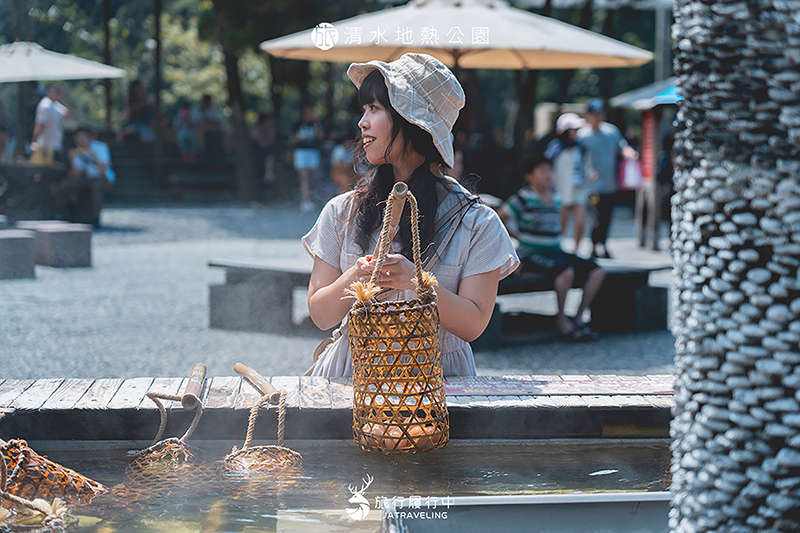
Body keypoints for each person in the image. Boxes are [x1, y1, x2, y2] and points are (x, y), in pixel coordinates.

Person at [302, 53, 518, 377]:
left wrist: (419, 283)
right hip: (350, 376)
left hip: (440, 383)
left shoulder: (478, 223)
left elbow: (474, 324)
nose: (363, 122)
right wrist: (356, 277)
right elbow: (321, 314)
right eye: (364, 110)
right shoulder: (342, 211)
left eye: (375, 109)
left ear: (411, 119)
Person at [498, 154, 605, 342]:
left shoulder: (556, 197)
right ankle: (562, 320)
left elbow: (561, 221)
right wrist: (515, 237)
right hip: (531, 253)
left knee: (597, 270)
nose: (548, 175)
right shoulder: (523, 198)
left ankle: (578, 318)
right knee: (565, 271)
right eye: (542, 171)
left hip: (556, 251)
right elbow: (499, 219)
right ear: (529, 176)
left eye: (550, 170)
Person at [578, 99, 638, 259]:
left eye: (600, 114)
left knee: (606, 217)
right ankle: (593, 245)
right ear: (588, 115)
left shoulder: (611, 132)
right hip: (591, 186)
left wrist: (628, 153)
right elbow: (578, 159)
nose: (598, 117)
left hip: (610, 184)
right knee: (595, 218)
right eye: (595, 114)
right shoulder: (582, 136)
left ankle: (603, 245)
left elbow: (622, 147)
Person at [545, 113, 589, 255]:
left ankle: (576, 250)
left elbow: (586, 165)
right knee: (561, 223)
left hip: (578, 189)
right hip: (561, 190)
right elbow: (548, 167)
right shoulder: (555, 147)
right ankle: (558, 247)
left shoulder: (580, 147)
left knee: (580, 221)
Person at [58, 127, 116, 226]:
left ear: (89, 138)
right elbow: (76, 174)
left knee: (96, 187)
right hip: (86, 178)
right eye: (77, 138)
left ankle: (95, 218)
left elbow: (103, 171)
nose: (80, 140)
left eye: (82, 137)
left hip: (103, 178)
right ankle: (61, 214)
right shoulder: (77, 151)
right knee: (65, 185)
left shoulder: (100, 147)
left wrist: (93, 157)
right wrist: (72, 158)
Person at [291, 105, 323, 212]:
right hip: (301, 152)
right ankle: (305, 201)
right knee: (304, 177)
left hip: (313, 152)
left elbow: (321, 137)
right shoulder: (298, 124)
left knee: (314, 177)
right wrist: (299, 137)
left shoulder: (316, 124)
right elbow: (292, 139)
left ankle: (315, 199)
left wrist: (318, 124)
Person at [32, 85, 71, 164]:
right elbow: (40, 124)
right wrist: (34, 141)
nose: (57, 93)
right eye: (54, 91)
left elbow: (69, 116)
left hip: (56, 145)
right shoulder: (45, 106)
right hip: (45, 146)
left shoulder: (56, 105)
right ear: (48, 92)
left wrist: (63, 100)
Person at [192, 94, 224, 159]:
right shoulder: (196, 109)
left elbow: (218, 122)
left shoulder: (214, 109)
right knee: (200, 131)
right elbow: (196, 122)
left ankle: (227, 154)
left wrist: (210, 123)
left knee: (228, 132)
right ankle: (202, 153)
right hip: (199, 130)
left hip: (214, 129)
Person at [251, 113, 277, 186]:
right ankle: (268, 176)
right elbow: (262, 143)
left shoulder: (269, 130)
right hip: (257, 154)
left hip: (266, 152)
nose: (270, 123)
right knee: (269, 158)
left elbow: (271, 141)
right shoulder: (256, 129)